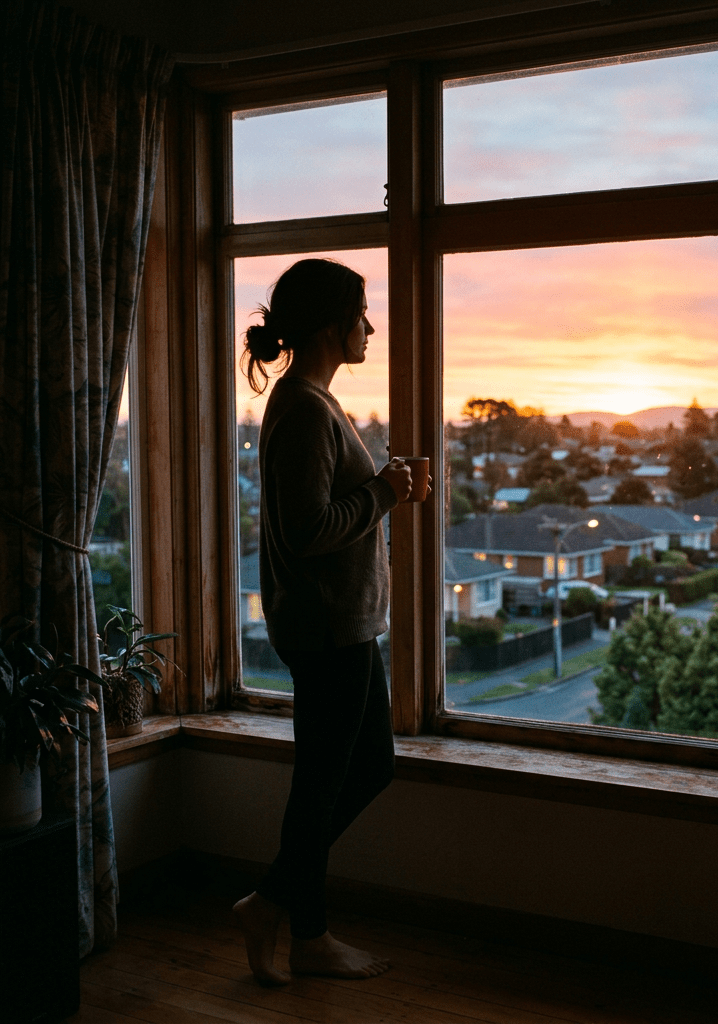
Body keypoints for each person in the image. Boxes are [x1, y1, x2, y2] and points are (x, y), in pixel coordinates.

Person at [231, 258, 422, 985]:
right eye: (361, 315)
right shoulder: (306, 408)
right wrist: (383, 493)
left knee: (364, 768)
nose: (369, 328)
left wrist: (381, 490)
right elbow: (308, 528)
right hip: (325, 631)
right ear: (329, 325)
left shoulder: (313, 402)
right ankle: (294, 923)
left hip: (343, 626)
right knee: (326, 782)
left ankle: (288, 914)